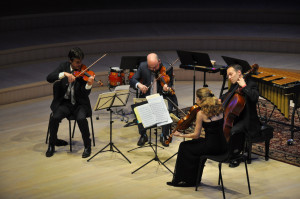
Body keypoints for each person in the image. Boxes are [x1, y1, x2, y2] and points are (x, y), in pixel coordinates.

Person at [167, 87, 227, 187]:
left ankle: (186, 180)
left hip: (211, 147)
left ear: (201, 99)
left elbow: (196, 135)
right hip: (223, 145)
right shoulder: (220, 107)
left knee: (184, 146)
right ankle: (195, 178)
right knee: (195, 145)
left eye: (196, 98)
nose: (196, 100)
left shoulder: (201, 113)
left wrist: (181, 135)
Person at [45, 47, 94, 158]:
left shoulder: (83, 72)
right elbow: (49, 78)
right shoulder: (64, 67)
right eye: (77, 62)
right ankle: (52, 144)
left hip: (79, 103)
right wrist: (64, 74)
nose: (79, 65)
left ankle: (87, 145)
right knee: (55, 118)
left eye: (80, 61)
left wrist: (89, 84)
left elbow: (84, 94)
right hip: (65, 103)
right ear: (70, 61)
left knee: (81, 119)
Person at [129, 53, 178, 147]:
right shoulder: (143, 66)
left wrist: (166, 88)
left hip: (162, 96)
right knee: (138, 109)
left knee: (167, 109)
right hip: (147, 95)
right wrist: (139, 85)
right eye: (150, 67)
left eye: (155, 67)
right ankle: (143, 135)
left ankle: (164, 135)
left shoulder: (167, 68)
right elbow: (133, 80)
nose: (153, 69)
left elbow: (170, 84)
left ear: (159, 62)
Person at [221, 64, 260, 167]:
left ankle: (235, 156)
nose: (229, 78)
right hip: (236, 116)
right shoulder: (235, 84)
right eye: (228, 75)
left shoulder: (251, 84)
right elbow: (228, 93)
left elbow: (254, 98)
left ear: (239, 73)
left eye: (231, 74)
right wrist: (220, 99)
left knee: (234, 130)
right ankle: (223, 150)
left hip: (247, 118)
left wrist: (244, 87)